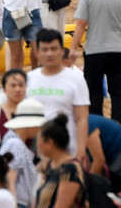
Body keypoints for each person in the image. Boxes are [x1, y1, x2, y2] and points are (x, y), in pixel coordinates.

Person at [27, 29, 89, 158]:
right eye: (44, 49)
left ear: (61, 51)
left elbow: (82, 118)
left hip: (68, 151)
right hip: (37, 151)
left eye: (53, 49)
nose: (49, 53)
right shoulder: (29, 79)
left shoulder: (76, 79)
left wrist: (81, 152)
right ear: (37, 53)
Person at [34, 114, 87, 208]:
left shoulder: (70, 169)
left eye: (39, 140)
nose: (38, 145)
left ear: (50, 142)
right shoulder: (49, 166)